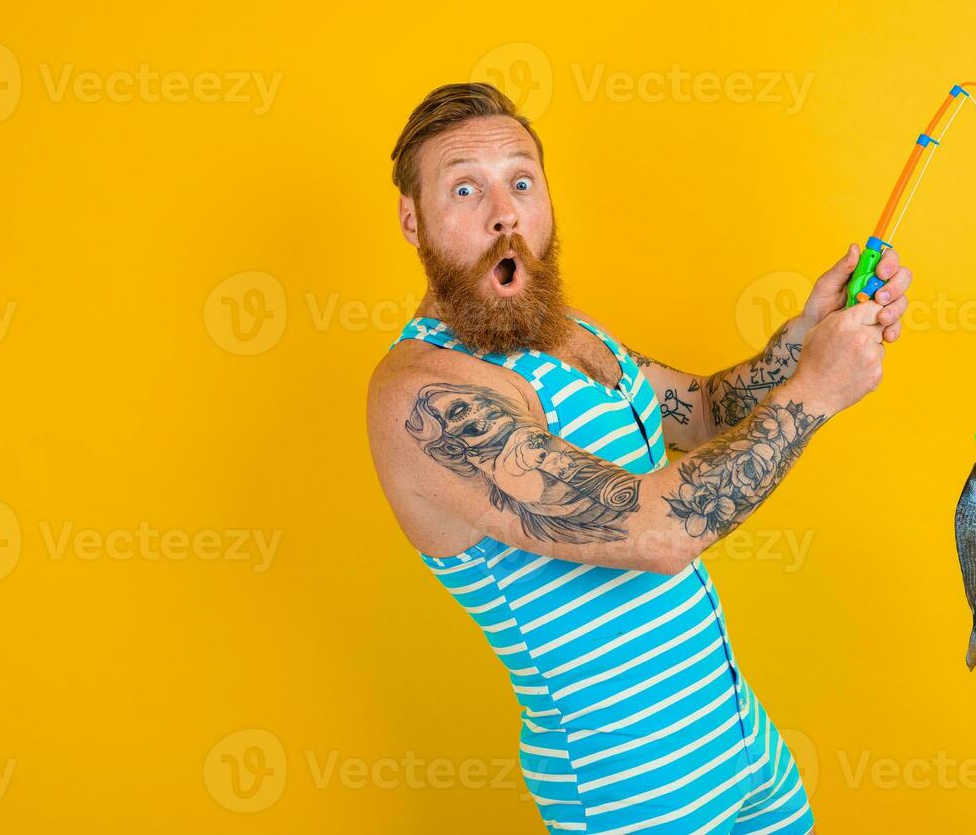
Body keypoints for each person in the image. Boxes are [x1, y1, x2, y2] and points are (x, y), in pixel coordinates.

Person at [366, 83, 911, 834]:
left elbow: (705, 409)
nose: (505, 213)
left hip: (735, 736)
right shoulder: (425, 396)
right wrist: (814, 391)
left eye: (521, 181)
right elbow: (656, 532)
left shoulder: (568, 332)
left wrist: (803, 336)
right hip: (630, 786)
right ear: (411, 219)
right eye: (465, 189)